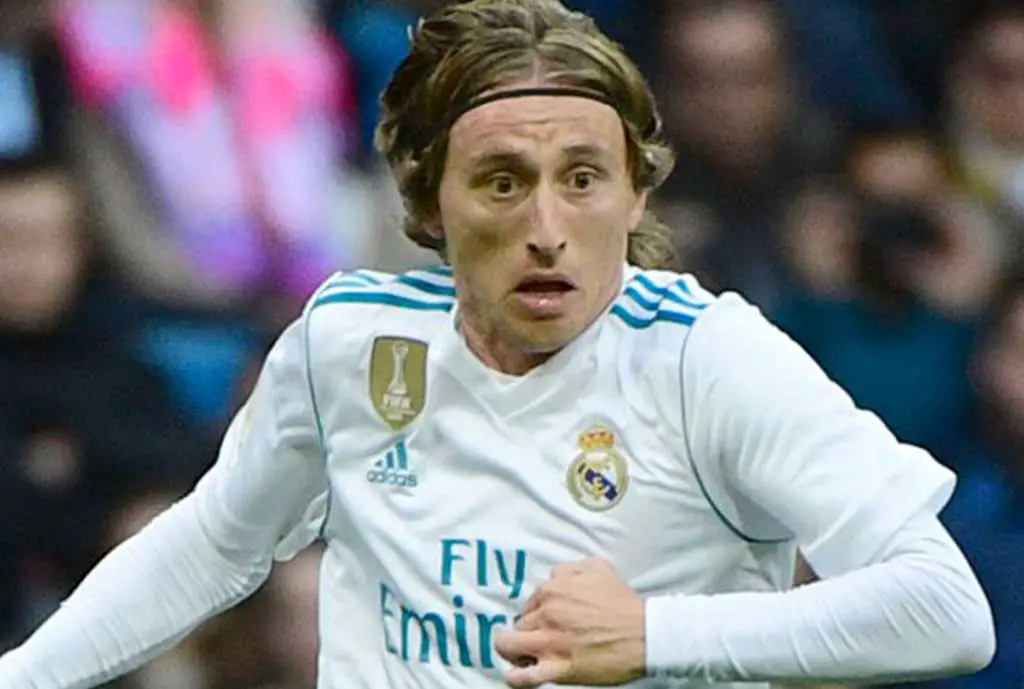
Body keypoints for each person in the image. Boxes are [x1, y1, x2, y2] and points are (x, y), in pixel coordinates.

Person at [0, 1, 996, 687]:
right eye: (503, 181)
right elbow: (215, 541)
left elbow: (945, 609)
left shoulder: (708, 359)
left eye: (582, 178)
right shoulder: (353, 340)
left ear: (635, 193)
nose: (547, 227)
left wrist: (652, 631)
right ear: (430, 202)